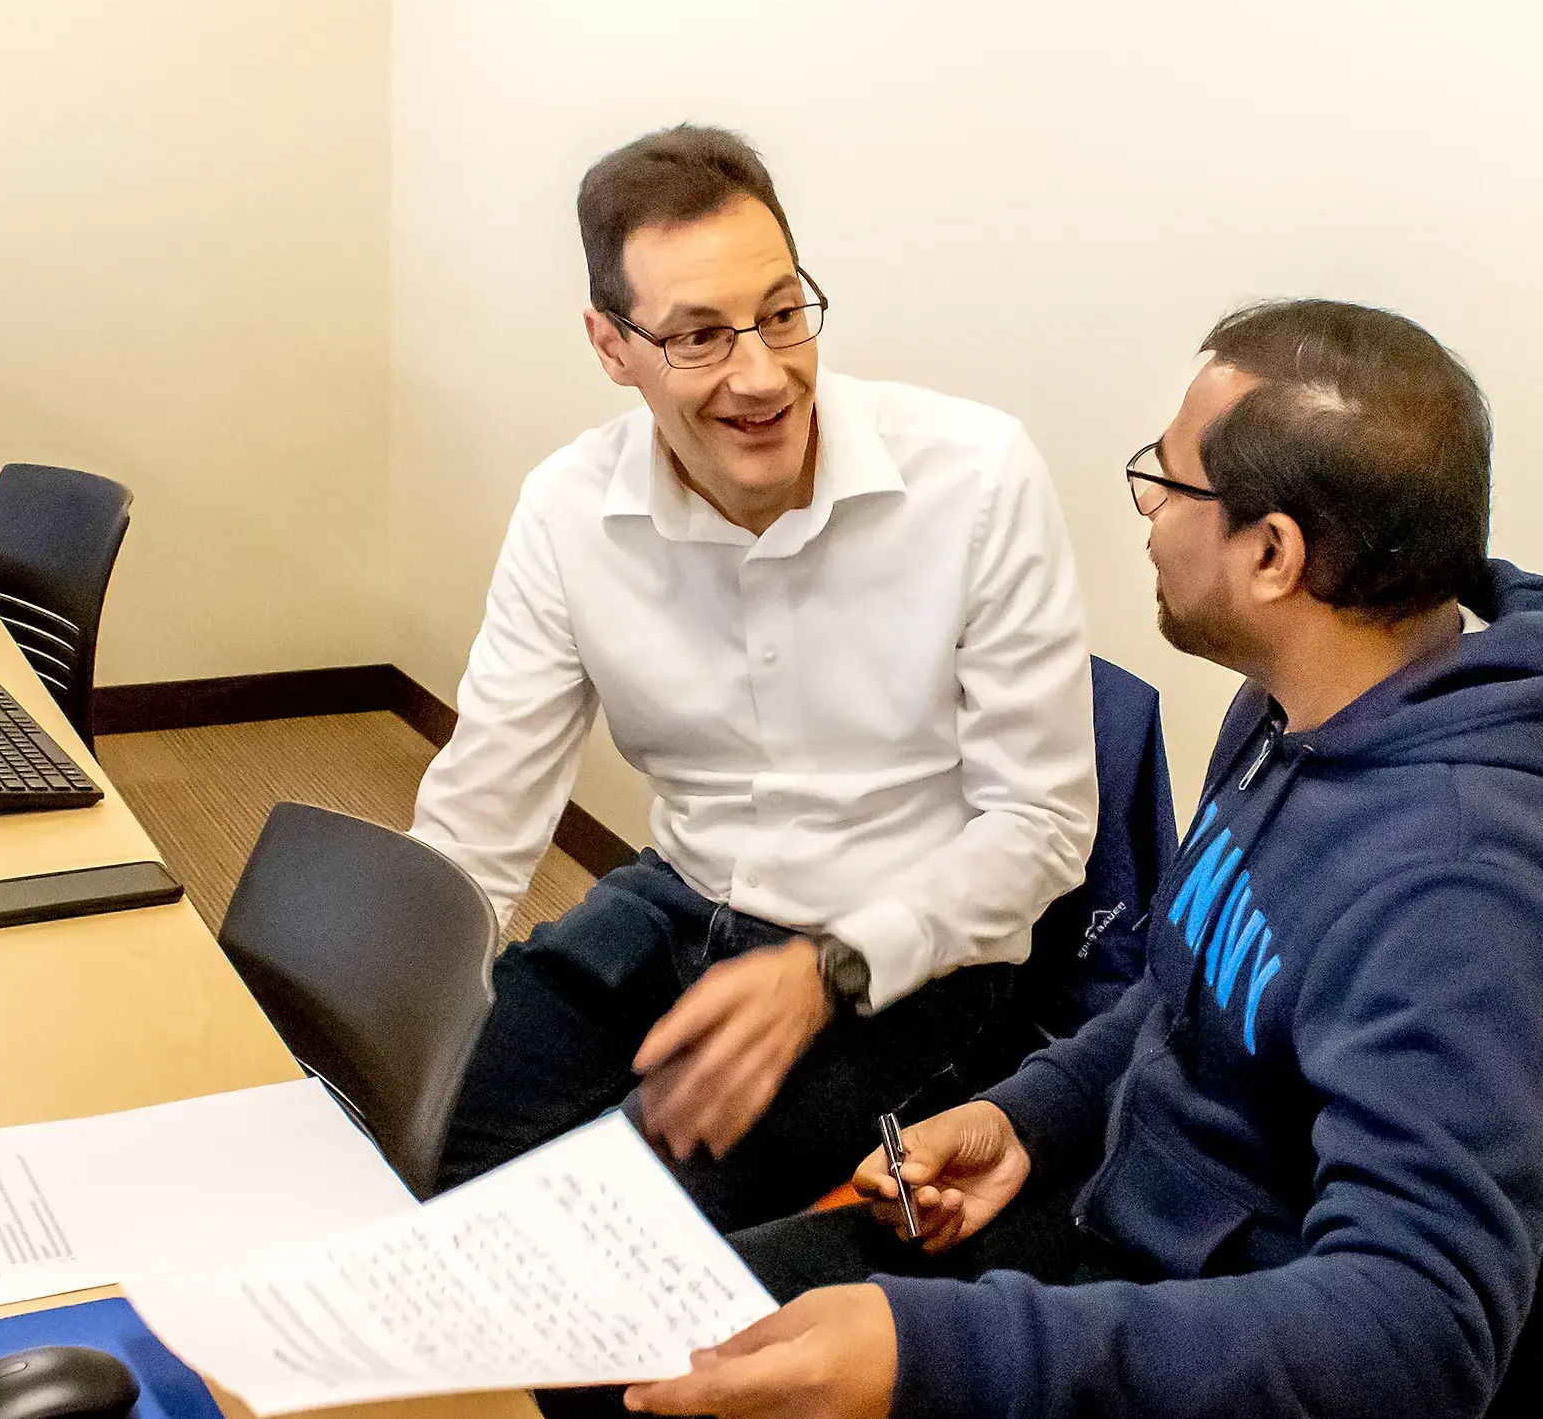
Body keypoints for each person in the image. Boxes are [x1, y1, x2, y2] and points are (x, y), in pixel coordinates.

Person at [613, 300, 1543, 1419]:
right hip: (1146, 1246)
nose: (1145, 513)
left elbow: (1414, 1335)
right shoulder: (1303, 706)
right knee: (657, 1339)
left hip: (1267, 1347)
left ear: (1272, 554)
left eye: (1168, 480)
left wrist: (946, 1357)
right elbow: (1201, 989)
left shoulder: (1469, 888)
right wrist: (1031, 1118)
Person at [412, 124, 1099, 1230]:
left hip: (903, 962)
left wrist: (828, 969)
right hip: (676, 903)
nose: (763, 374)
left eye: (781, 314)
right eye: (698, 336)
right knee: (407, 1131)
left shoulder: (974, 477)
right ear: (610, 345)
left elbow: (1043, 824)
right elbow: (480, 814)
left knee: (606, 1230)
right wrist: (395, 1001)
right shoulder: (568, 508)